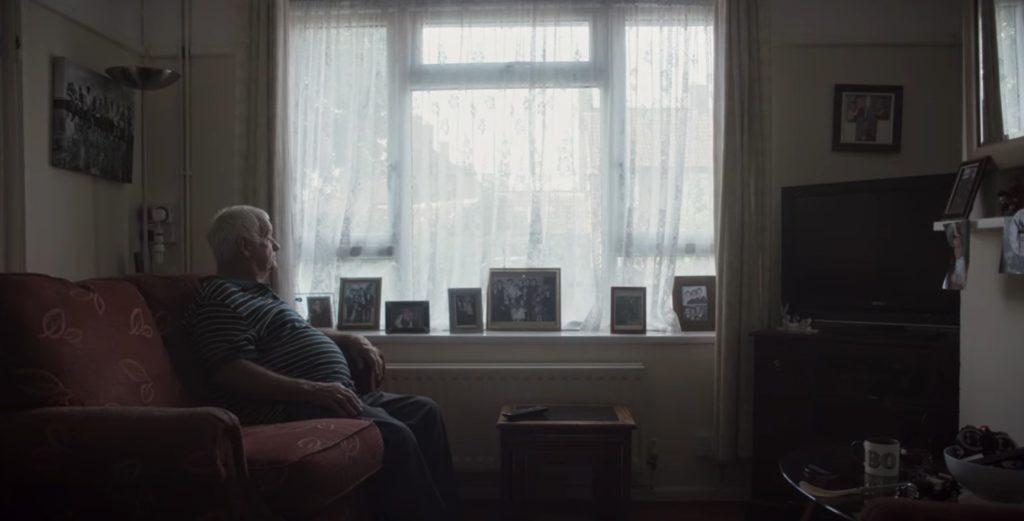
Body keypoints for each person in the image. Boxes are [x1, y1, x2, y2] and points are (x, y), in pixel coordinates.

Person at [185, 205, 460, 521]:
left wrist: (346, 338)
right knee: (396, 436)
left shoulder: (258, 295)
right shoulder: (219, 299)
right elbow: (229, 370)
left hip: (332, 395)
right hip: (294, 406)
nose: (275, 246)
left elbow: (297, 332)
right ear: (246, 246)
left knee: (425, 411)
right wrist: (311, 390)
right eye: (268, 238)